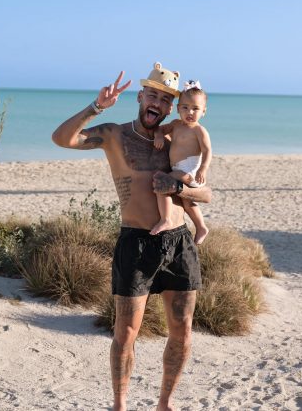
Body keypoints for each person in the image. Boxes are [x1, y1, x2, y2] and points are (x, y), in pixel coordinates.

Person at [52, 62, 211, 411]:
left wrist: (178, 186)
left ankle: (164, 403)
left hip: (178, 243)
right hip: (135, 243)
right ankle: (120, 405)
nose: (157, 102)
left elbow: (206, 194)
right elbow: (61, 139)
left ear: (172, 107)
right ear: (140, 97)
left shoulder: (178, 137)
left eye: (165, 99)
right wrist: (95, 107)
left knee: (182, 331)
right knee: (125, 333)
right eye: (151, 94)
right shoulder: (114, 134)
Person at [151, 80, 212, 244]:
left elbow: (207, 151)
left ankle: (166, 219)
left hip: (189, 170)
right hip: (179, 168)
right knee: (186, 201)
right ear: (178, 109)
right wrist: (158, 136)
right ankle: (201, 226)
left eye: (195, 108)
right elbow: (160, 129)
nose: (190, 111)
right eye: (185, 107)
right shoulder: (176, 125)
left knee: (162, 184)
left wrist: (203, 169)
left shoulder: (199, 130)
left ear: (204, 111)